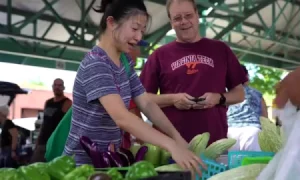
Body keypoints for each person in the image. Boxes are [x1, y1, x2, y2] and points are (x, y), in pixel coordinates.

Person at [63, 0, 205, 174]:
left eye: (142, 31)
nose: (139, 38)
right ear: (111, 23)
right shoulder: (97, 64)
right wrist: (170, 145)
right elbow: (122, 117)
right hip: (82, 166)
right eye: (134, 28)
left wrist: (177, 139)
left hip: (107, 163)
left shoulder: (124, 61)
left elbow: (146, 104)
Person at [139, 0, 246, 144]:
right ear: (171, 22)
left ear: (197, 16)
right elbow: (142, 99)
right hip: (171, 145)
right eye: (177, 18)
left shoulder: (221, 50)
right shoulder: (158, 56)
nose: (184, 21)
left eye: (188, 15)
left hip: (214, 143)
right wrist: (173, 99)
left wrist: (218, 98)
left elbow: (240, 94)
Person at [227, 65, 268, 151]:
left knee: (232, 162)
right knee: (252, 162)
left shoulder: (226, 95)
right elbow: (265, 118)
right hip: (252, 131)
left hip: (231, 132)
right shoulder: (257, 94)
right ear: (246, 77)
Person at [31, 78, 72, 162]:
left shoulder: (67, 103)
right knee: (35, 164)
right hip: (43, 140)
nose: (57, 87)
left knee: (52, 166)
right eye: (55, 85)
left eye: (59, 85)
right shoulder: (48, 102)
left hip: (56, 141)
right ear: (52, 87)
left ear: (63, 88)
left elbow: (68, 124)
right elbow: (44, 122)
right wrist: (38, 140)